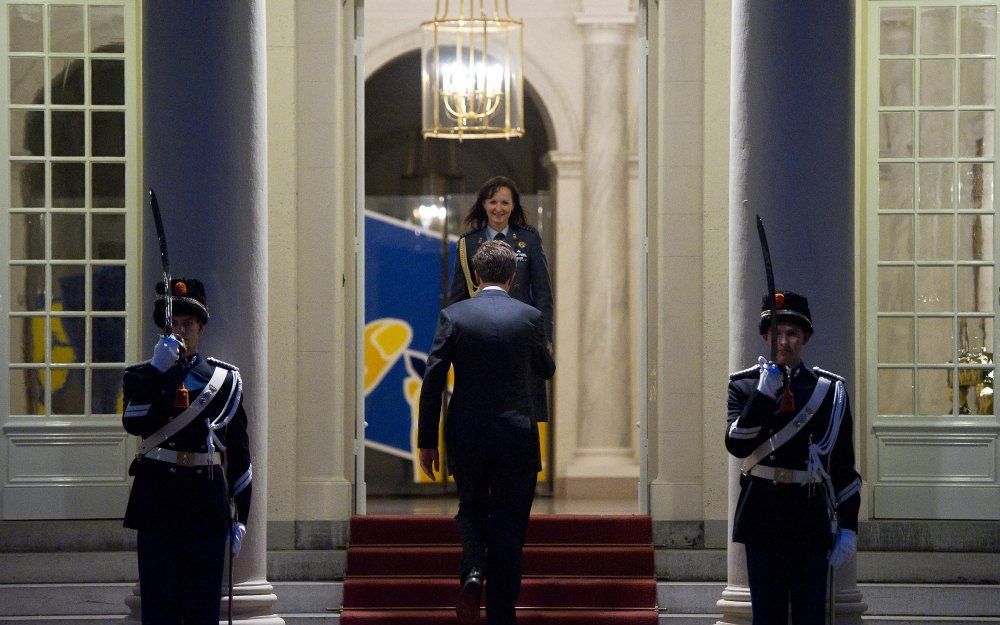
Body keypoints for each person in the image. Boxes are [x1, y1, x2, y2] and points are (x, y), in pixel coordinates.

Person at [419, 241, 556, 625]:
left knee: (472, 506)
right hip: (516, 435)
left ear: (477, 276)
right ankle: (502, 613)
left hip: (467, 434)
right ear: (512, 277)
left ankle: (474, 571)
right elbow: (547, 368)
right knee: (511, 524)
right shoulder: (528, 316)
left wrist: (427, 440)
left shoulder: (454, 315)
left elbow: (433, 378)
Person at [725, 290, 862, 625]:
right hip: (763, 516)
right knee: (767, 615)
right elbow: (737, 445)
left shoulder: (829, 392)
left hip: (808, 515)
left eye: (792, 334)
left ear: (806, 339)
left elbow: (843, 466)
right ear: (764, 337)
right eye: (776, 334)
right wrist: (762, 395)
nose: (783, 342)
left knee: (809, 614)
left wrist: (848, 527)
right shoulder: (744, 387)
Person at [122, 278, 252, 624]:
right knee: (158, 605)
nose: (180, 331)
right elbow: (133, 422)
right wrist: (156, 371)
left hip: (203, 501)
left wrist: (241, 516)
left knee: (202, 606)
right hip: (157, 500)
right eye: (173, 324)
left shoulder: (224, 381)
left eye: (188, 324)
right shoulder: (141, 376)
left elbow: (239, 452)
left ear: (201, 327)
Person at [449, 176, 554, 422]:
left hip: (520, 334)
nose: (499, 208)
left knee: (522, 407)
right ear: (483, 204)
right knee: (482, 408)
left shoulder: (528, 239)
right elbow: (457, 297)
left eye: (505, 202)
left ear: (514, 206)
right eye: (493, 201)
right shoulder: (468, 243)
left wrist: (545, 339)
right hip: (480, 335)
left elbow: (542, 294)